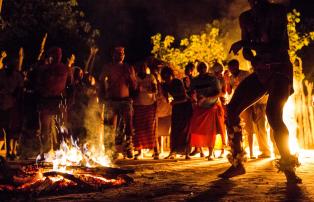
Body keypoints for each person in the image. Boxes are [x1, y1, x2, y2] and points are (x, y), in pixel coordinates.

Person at [218, 0, 302, 184]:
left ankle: (289, 169)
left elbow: (278, 45)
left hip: (280, 71)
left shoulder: (277, 11)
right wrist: (249, 52)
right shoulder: (246, 17)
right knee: (231, 110)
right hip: (261, 71)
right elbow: (247, 51)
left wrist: (246, 43)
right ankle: (238, 163)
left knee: (273, 114)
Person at [98, 46, 137, 159]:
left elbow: (134, 86)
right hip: (111, 100)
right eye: (118, 53)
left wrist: (131, 78)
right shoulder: (107, 67)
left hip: (125, 100)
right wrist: (101, 97)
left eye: (122, 53)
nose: (120, 55)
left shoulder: (128, 68)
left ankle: (129, 147)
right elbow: (101, 83)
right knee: (110, 126)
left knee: (128, 124)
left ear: (124, 55)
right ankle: (109, 151)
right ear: (113, 55)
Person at [36, 47, 71, 157]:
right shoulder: (43, 69)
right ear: (51, 55)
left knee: (61, 128)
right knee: (45, 129)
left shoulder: (66, 69)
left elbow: (71, 86)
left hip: (59, 101)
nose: (58, 56)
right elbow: (37, 84)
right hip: (46, 101)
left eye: (60, 54)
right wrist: (42, 93)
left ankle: (60, 151)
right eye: (55, 54)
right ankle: (45, 152)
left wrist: (70, 100)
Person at [190, 62, 225, 160]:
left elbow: (218, 92)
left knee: (211, 131)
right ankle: (199, 150)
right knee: (196, 128)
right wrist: (194, 98)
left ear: (207, 68)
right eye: (200, 67)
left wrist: (206, 98)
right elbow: (191, 92)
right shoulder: (195, 80)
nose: (202, 69)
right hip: (200, 106)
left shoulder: (213, 79)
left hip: (212, 106)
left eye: (204, 67)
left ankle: (211, 152)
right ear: (197, 69)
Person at [161, 66, 192, 160]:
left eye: (168, 76)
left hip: (185, 106)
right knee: (175, 130)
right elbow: (166, 97)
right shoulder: (165, 85)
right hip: (176, 108)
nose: (167, 79)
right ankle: (173, 151)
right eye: (164, 77)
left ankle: (187, 153)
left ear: (171, 75)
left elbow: (185, 98)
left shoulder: (177, 82)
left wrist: (175, 102)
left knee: (185, 130)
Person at [133, 62, 158, 160]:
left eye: (144, 67)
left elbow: (155, 90)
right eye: (140, 67)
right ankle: (140, 152)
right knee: (139, 130)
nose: (142, 69)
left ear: (146, 68)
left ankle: (156, 151)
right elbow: (132, 91)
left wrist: (143, 89)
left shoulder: (151, 77)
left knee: (151, 129)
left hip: (150, 105)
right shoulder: (135, 78)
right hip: (138, 105)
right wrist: (137, 90)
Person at [0, 57, 24, 160]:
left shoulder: (17, 76)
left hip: (12, 104)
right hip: (2, 103)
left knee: (11, 129)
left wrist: (16, 97)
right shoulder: (1, 74)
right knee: (3, 128)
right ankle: (7, 150)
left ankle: (11, 151)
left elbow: (20, 88)